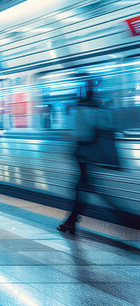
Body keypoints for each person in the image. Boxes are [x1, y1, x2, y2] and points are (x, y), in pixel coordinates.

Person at [58, 78, 128, 234]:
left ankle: (122, 217)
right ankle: (71, 221)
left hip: (83, 154)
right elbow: (104, 129)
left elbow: (83, 134)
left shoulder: (82, 108)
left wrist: (74, 140)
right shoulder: (98, 107)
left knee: (83, 188)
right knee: (84, 187)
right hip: (91, 154)